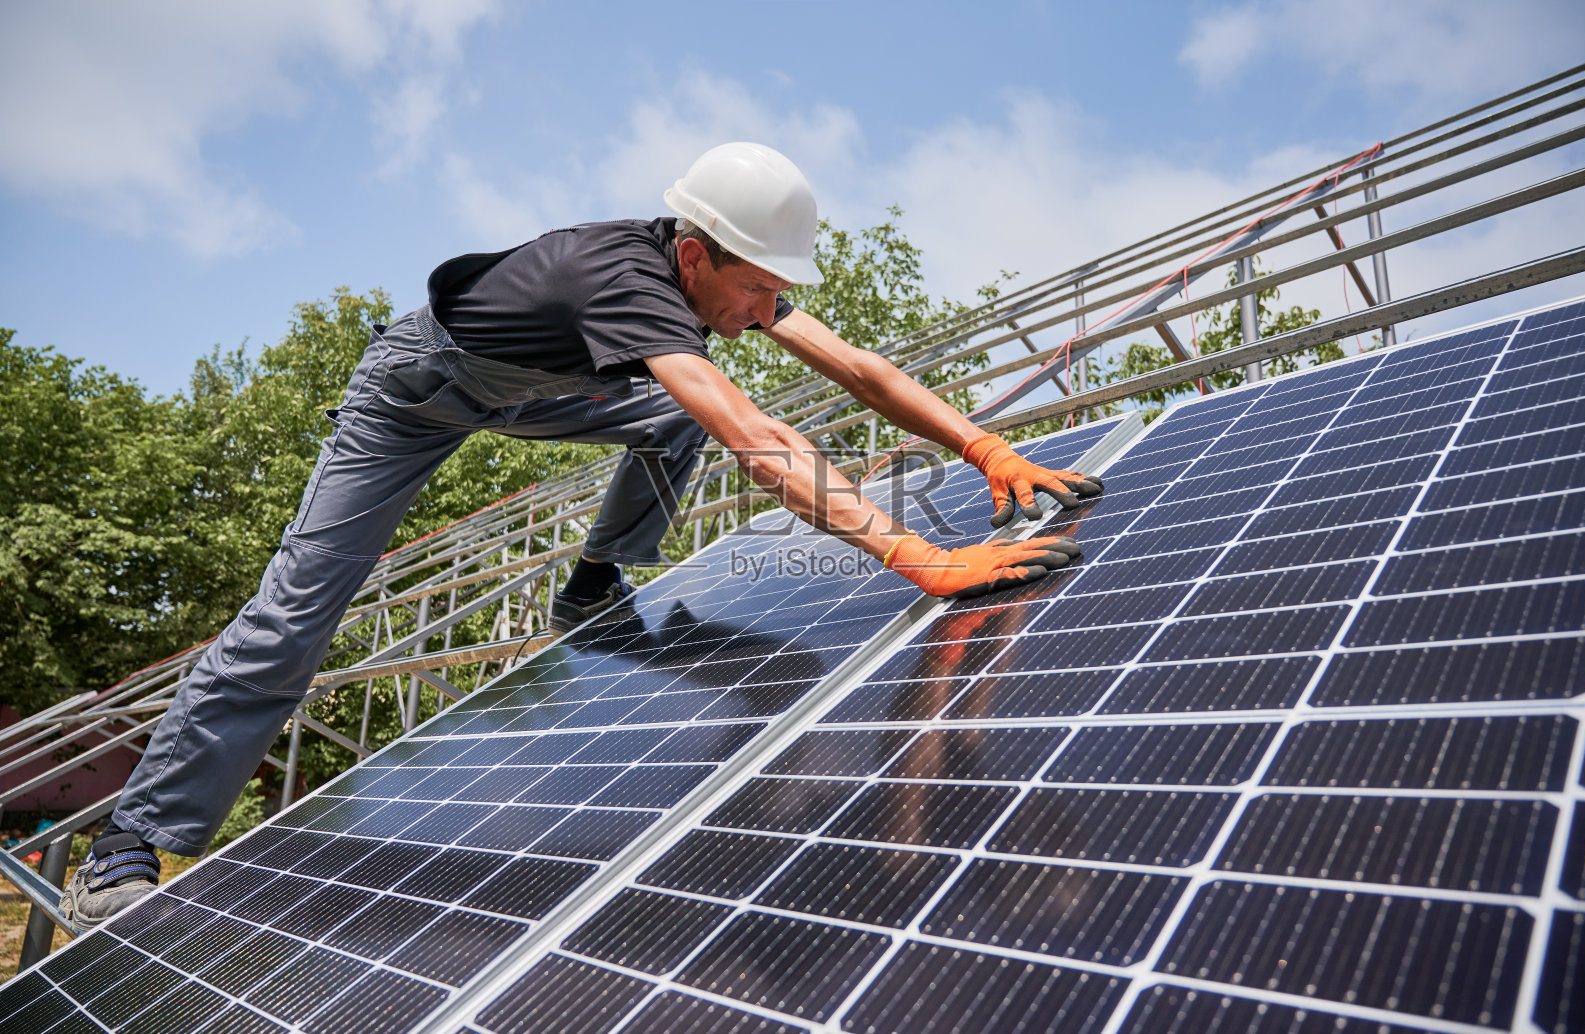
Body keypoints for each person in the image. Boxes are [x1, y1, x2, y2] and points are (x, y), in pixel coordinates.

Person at [62, 142, 1103, 925]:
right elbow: (751, 433)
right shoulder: (628, 280)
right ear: (694, 255)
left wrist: (982, 448)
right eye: (751, 290)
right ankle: (132, 842)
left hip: (535, 389)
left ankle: (594, 579)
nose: (763, 308)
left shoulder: (729, 275)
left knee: (666, 413)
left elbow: (859, 367)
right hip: (412, 396)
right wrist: (911, 552)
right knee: (296, 616)